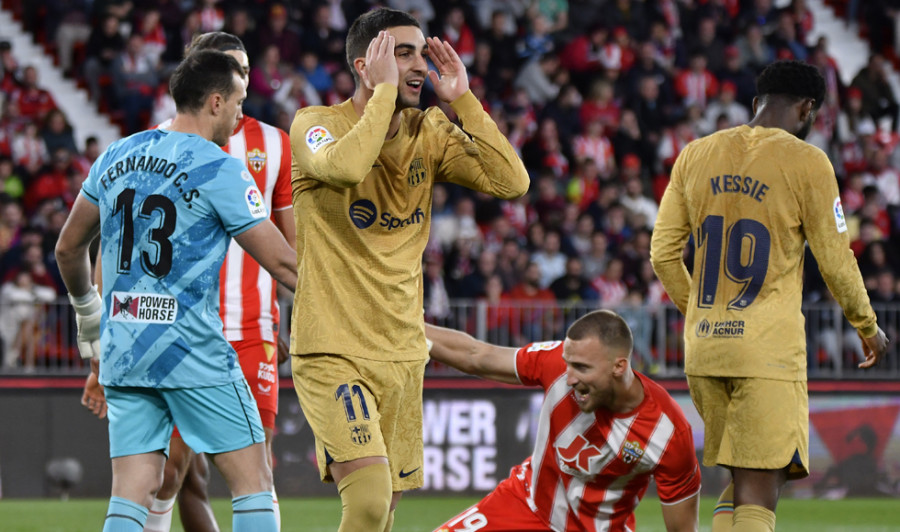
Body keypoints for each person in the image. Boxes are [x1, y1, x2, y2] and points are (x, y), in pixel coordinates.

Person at [288, 8, 529, 532]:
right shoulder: (314, 126)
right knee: (371, 498)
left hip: (401, 350)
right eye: (403, 53)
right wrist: (381, 96)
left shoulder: (431, 130)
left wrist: (463, 98)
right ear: (363, 64)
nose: (419, 65)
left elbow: (512, 183)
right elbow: (347, 167)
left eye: (421, 52)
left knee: (386, 511)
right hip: (331, 347)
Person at [55, 50, 297, 532]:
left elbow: (68, 249)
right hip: (189, 349)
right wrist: (348, 309)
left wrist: (89, 323)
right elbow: (284, 261)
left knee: (131, 493)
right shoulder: (219, 167)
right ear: (214, 102)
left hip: (124, 348)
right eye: (237, 102)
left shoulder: (117, 154)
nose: (239, 113)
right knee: (253, 479)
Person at [650, 60, 889, 532]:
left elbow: (662, 255)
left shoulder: (695, 154)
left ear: (757, 101)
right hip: (766, 351)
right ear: (806, 108)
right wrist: (868, 326)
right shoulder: (808, 162)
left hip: (705, 349)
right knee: (761, 487)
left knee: (741, 481)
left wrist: (701, 310)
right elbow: (836, 260)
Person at [427, 310, 701, 532]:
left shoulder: (669, 433)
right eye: (568, 363)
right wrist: (403, 323)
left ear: (619, 366)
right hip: (524, 505)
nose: (569, 377)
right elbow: (477, 355)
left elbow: (682, 529)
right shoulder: (555, 363)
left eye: (581, 368)